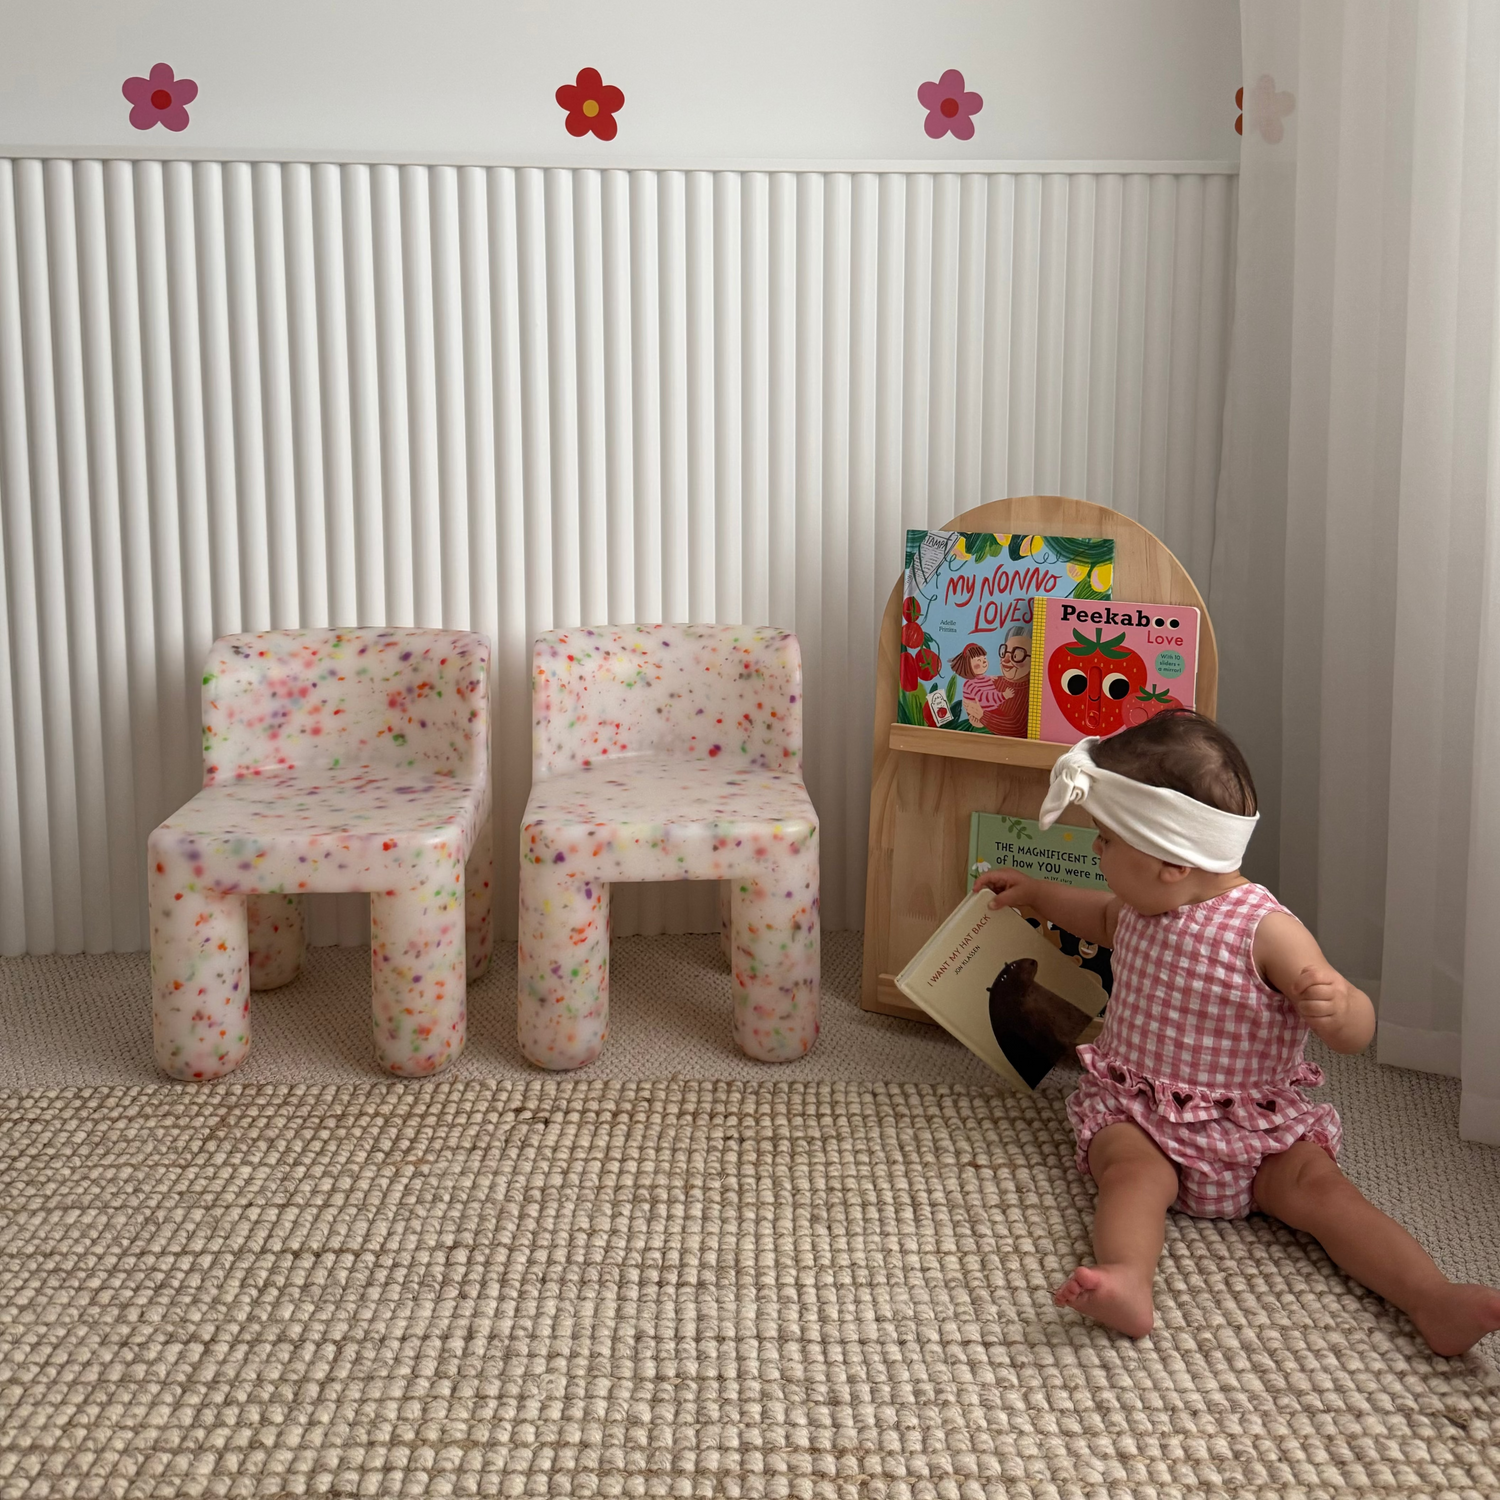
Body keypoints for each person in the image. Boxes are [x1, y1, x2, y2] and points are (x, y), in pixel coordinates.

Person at [974, 710, 1500, 1354]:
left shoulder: (1266, 930)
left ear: (1170, 860)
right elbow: (1092, 915)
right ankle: (1127, 1278)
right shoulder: (1140, 907)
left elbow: (1354, 1029)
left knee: (1324, 1193)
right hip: (1142, 1116)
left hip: (1256, 1136)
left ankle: (1432, 1298)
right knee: (1130, 1176)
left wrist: (1344, 1009)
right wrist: (1036, 893)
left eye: (1106, 841)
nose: (1095, 851)